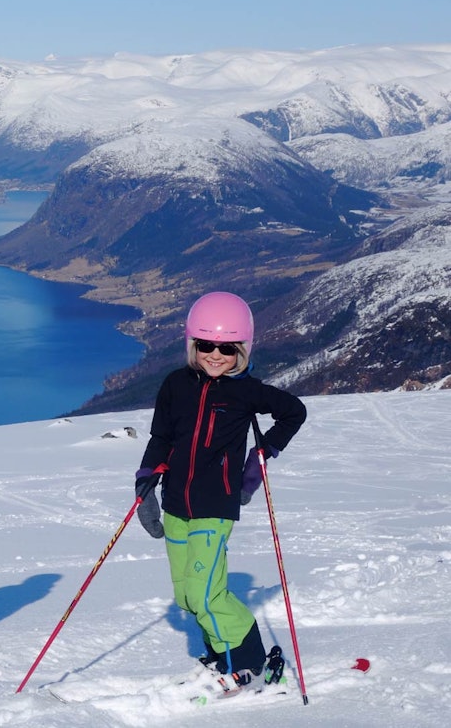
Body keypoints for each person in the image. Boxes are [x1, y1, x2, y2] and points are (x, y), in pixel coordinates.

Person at [134, 291, 306, 693]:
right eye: (206, 345)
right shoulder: (175, 384)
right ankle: (219, 654)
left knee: (206, 593)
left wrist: (259, 458)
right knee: (187, 597)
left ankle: (248, 663)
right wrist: (146, 484)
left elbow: (294, 411)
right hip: (177, 504)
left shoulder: (247, 391)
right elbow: (162, 437)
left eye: (227, 348)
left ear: (242, 349)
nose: (215, 355)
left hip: (217, 506)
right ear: (192, 344)